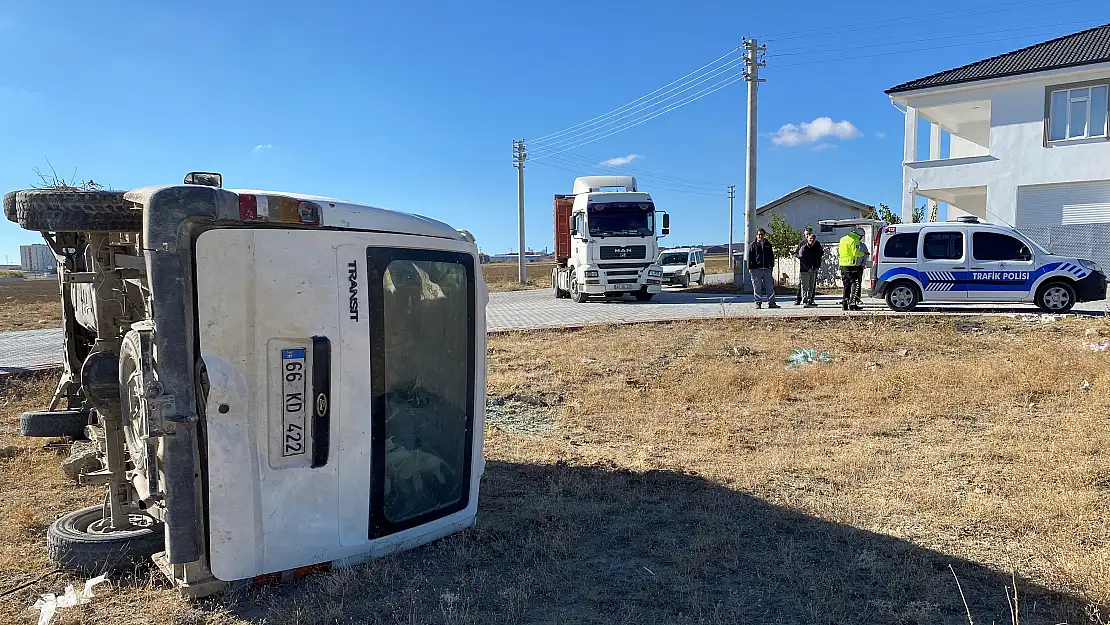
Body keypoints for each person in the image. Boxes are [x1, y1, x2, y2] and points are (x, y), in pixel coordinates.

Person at [838, 227, 867, 311]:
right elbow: (856, 252)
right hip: (851, 265)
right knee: (856, 284)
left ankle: (845, 305)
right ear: (860, 235)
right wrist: (864, 254)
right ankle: (852, 304)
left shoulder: (843, 239)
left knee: (846, 285)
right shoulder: (855, 240)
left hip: (843, 265)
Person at [747, 228, 778, 309]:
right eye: (759, 234)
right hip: (756, 269)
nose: (760, 236)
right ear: (757, 235)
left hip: (767, 269)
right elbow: (750, 257)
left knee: (769, 286)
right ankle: (758, 302)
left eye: (762, 234)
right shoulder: (753, 245)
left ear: (764, 235)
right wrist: (750, 267)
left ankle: (771, 303)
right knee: (757, 287)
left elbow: (771, 256)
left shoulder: (768, 244)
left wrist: (771, 265)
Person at [798, 231, 824, 308]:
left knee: (811, 287)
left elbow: (819, 258)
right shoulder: (804, 248)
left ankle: (810, 300)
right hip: (805, 271)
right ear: (807, 239)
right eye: (810, 238)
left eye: (813, 239)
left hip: (814, 270)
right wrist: (808, 268)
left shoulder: (817, 248)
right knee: (805, 287)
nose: (812, 240)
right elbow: (802, 260)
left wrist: (817, 268)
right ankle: (805, 301)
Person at [793, 226, 815, 305]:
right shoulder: (802, 243)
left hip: (812, 267)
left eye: (809, 234)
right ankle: (798, 298)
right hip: (804, 267)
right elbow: (795, 253)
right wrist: (799, 257)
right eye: (806, 234)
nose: (808, 235)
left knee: (812, 284)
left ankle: (811, 299)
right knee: (802, 284)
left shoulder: (815, 242)